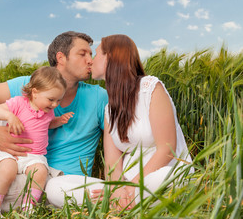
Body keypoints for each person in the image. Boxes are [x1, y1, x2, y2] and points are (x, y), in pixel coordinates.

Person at [0, 31, 108, 211]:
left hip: (52, 179)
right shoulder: (31, 85)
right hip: (17, 158)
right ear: (61, 58)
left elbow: (121, 143)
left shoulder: (98, 97)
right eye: (83, 54)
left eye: (91, 54)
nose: (90, 60)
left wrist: (116, 186)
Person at [46, 34, 193, 209]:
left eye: (96, 54)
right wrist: (115, 188)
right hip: (125, 187)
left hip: (158, 178)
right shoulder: (109, 108)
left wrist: (130, 186)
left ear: (111, 58)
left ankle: (115, 203)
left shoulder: (151, 88)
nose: (91, 61)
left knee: (170, 175)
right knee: (54, 187)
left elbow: (166, 150)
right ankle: (121, 203)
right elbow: (112, 165)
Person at [0, 66, 73, 213]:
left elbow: (48, 124)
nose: (55, 104)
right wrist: (10, 116)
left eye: (58, 100)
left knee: (40, 173)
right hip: (13, 153)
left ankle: (29, 206)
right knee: (7, 171)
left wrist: (58, 121)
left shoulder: (48, 111)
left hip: (34, 156)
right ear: (35, 92)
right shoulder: (20, 103)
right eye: (51, 99)